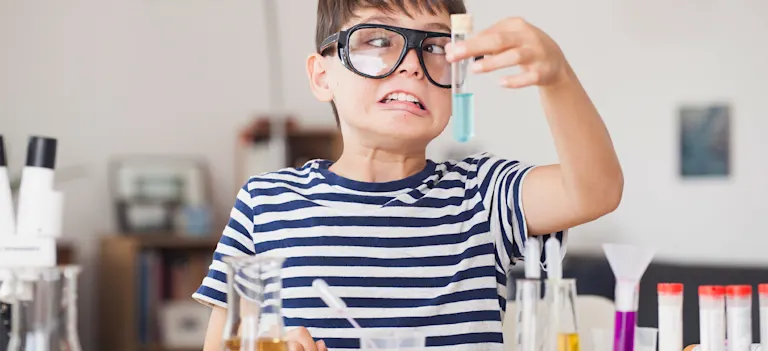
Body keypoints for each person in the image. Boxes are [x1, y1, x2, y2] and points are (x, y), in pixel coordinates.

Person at [194, 0, 623, 350]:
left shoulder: (483, 194)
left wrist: (557, 78)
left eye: (436, 47)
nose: (413, 65)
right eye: (378, 40)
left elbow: (594, 191)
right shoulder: (266, 204)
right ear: (322, 76)